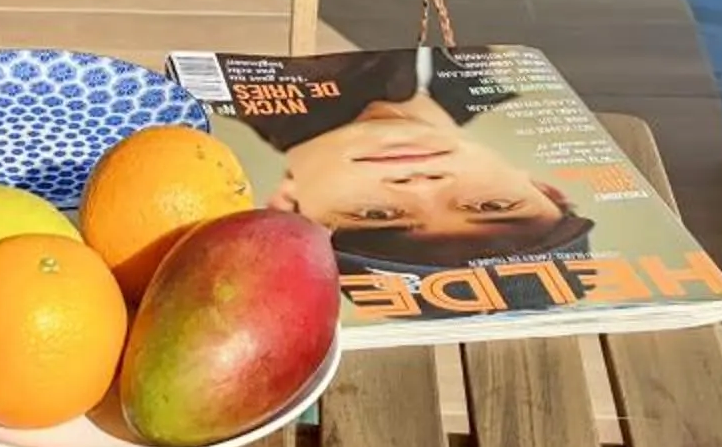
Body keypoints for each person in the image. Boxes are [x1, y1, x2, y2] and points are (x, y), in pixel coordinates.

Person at [240, 47, 595, 280]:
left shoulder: (239, 86)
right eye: (494, 205)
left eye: (376, 216)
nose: (422, 186)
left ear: (288, 207)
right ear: (543, 188)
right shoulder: (513, 69)